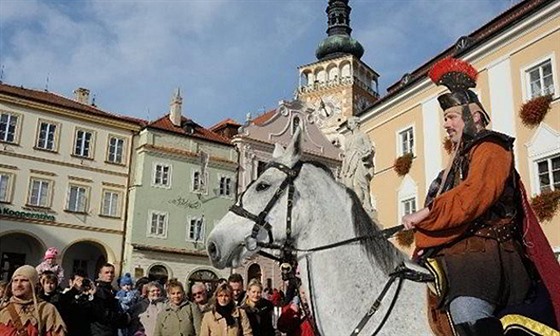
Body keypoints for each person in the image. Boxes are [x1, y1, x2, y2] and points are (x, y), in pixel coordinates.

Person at [402, 57, 560, 335]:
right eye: (445, 119)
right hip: (458, 255)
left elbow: (475, 195)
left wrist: (427, 213)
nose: (446, 125)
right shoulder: (455, 162)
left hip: (491, 257)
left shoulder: (492, 147)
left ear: (473, 116)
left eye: (451, 117)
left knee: (467, 309)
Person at [0, 265, 66, 336]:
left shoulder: (46, 310)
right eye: (15, 281)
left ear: (34, 285)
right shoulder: (3, 309)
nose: (18, 284)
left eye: (24, 280)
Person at [339, 116, 375, 215]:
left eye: (351, 123)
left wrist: (366, 154)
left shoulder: (363, 135)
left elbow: (370, 148)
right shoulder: (347, 138)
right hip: (348, 161)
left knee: (361, 182)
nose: (349, 125)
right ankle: (351, 205)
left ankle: (367, 204)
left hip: (358, 159)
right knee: (349, 185)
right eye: (348, 123)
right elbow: (346, 152)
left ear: (356, 124)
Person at [90, 263, 130, 336]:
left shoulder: (113, 291)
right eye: (106, 272)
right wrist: (123, 318)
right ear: (100, 274)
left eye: (112, 272)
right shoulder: (98, 291)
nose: (109, 275)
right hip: (100, 331)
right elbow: (103, 313)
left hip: (112, 331)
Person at [58, 269, 95, 336]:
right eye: (78, 280)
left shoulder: (86, 297)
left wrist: (92, 294)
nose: (80, 283)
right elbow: (64, 304)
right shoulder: (63, 295)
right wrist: (75, 289)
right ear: (70, 282)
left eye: (82, 281)